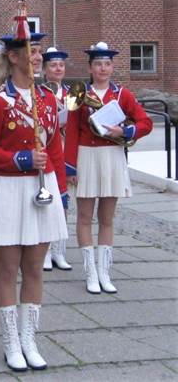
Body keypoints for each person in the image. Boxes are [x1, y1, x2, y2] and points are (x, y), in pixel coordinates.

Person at [0, 28, 67, 372]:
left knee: (34, 269)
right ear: (13, 57)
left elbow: (54, 146)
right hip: (7, 190)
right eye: (31, 50)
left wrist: (60, 189)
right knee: (7, 269)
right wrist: (21, 160)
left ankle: (30, 339)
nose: (37, 56)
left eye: (39, 50)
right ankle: (10, 341)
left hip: (42, 191)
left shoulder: (47, 99)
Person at [65, 42, 152, 295]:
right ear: (90, 67)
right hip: (86, 156)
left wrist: (124, 131)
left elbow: (145, 122)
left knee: (106, 218)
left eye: (107, 64)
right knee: (83, 216)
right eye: (98, 64)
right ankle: (90, 272)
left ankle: (105, 272)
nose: (103, 68)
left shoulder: (122, 94)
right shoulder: (79, 93)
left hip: (112, 155)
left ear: (112, 67)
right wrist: (70, 166)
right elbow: (71, 131)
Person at [41, 47, 72, 271]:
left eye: (61, 65)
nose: (58, 69)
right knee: (47, 200)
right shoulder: (41, 92)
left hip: (66, 145)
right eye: (53, 65)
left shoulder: (72, 93)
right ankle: (44, 251)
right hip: (49, 146)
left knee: (65, 201)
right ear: (44, 69)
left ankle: (59, 250)